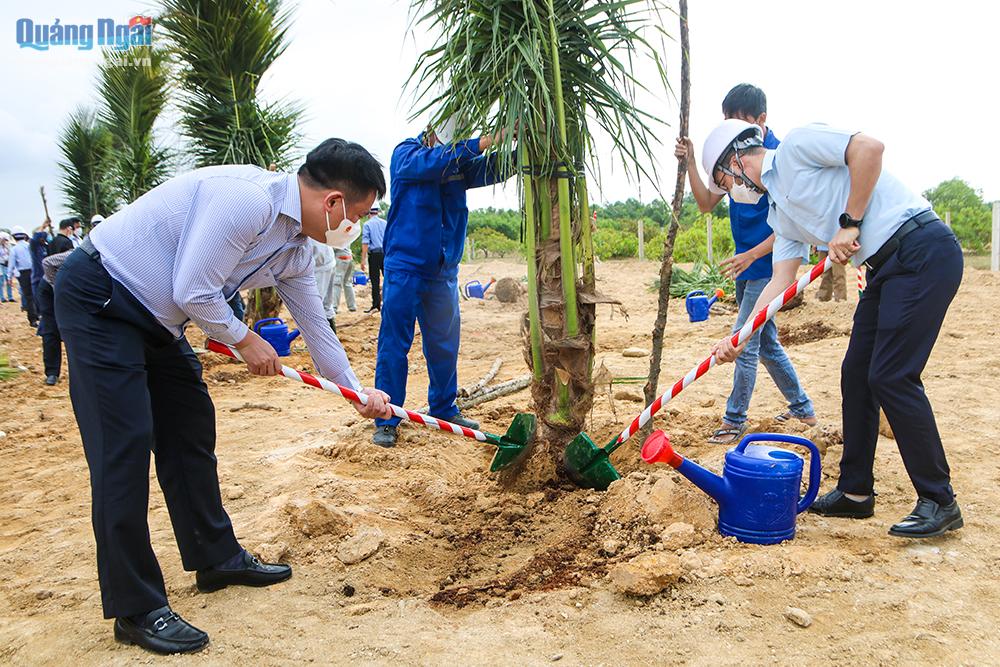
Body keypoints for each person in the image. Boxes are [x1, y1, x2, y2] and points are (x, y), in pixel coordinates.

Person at [54, 138, 393, 655]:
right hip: (102, 295)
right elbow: (194, 289)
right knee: (123, 446)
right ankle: (136, 607)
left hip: (158, 322)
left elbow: (317, 328)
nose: (358, 227)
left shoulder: (297, 248)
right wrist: (244, 337)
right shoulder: (246, 201)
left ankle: (216, 559)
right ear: (332, 203)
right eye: (360, 214)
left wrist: (356, 392)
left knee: (190, 429)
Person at [703, 119, 964, 538]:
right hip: (883, 270)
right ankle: (856, 492)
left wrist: (849, 220)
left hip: (920, 251)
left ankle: (939, 500)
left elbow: (870, 149)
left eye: (722, 180)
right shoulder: (779, 214)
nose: (729, 191)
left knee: (892, 375)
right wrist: (741, 336)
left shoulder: (796, 148)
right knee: (857, 375)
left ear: (735, 161)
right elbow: (780, 281)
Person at [675, 84, 815, 444]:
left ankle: (734, 419)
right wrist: (690, 161)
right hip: (745, 265)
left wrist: (755, 253)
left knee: (745, 342)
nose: (732, 131)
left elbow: (792, 224)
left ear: (760, 121)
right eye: (727, 122)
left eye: (739, 121)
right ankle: (802, 408)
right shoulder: (730, 159)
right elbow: (706, 202)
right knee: (766, 343)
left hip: (769, 266)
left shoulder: (779, 158)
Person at [372, 118, 512, 447]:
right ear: (431, 132)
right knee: (395, 344)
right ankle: (388, 417)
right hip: (405, 267)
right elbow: (433, 163)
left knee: (444, 344)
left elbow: (489, 169)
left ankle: (445, 408)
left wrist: (519, 150)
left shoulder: (457, 161)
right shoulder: (407, 154)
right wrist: (483, 141)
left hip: (443, 271)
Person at [37, 250, 72, 385]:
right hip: (49, 289)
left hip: (70, 291)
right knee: (50, 329)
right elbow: (47, 262)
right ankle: (52, 373)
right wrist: (57, 286)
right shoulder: (78, 254)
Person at [361, 205, 386, 312]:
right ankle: (388, 302)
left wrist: (363, 260)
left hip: (374, 255)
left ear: (368, 214)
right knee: (389, 279)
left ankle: (376, 305)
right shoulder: (385, 223)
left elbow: (365, 243)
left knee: (375, 280)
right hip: (386, 253)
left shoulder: (367, 225)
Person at [9, 226, 37, 326]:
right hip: (34, 271)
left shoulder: (14, 249)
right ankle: (37, 314)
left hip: (23, 274)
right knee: (35, 294)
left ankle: (32, 319)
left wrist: (9, 277)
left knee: (28, 296)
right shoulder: (29, 246)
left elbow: (11, 265)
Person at [309, 237, 338, 329]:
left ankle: (319, 341)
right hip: (327, 260)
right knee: (326, 306)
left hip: (320, 263)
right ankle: (331, 340)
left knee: (315, 308)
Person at [331, 244, 357, 315]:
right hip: (349, 256)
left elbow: (334, 247)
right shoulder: (346, 233)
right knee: (348, 283)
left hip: (341, 258)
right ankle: (352, 306)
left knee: (337, 283)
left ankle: (334, 307)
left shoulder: (336, 234)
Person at [0, 232, 14, 303]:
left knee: (9, 281)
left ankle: (10, 297)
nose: (5, 241)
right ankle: (2, 297)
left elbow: (11, 254)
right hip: (1, 265)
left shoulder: (8, 246)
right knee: (1, 282)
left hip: (7, 265)